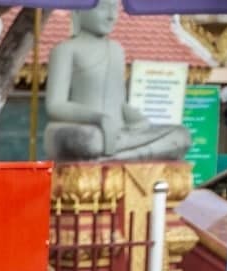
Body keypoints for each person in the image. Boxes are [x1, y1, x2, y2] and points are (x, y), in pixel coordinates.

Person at [43, 0, 190, 161]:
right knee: (90, 140)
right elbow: (55, 105)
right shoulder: (65, 50)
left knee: (181, 136)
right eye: (103, 8)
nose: (111, 16)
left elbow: (119, 102)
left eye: (114, 9)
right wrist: (98, 118)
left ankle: (111, 156)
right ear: (78, 11)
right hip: (88, 130)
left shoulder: (117, 50)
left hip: (118, 134)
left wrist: (135, 118)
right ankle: (122, 154)